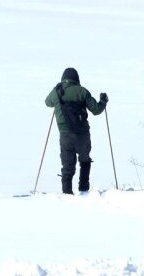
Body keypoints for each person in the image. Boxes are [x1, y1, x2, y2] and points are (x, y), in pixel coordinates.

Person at [45, 67, 108, 195]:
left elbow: (47, 102)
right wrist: (103, 101)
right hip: (82, 134)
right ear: (76, 79)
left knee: (67, 166)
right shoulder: (82, 91)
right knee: (84, 160)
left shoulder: (57, 91)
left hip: (65, 134)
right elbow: (96, 110)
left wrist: (57, 92)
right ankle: (84, 190)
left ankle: (67, 194)